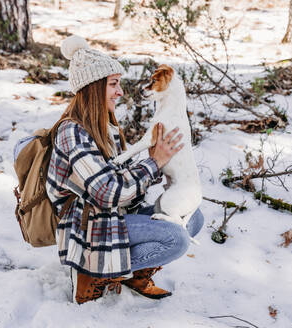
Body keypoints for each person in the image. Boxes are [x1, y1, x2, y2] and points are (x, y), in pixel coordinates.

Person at [46, 35, 204, 304]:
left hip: (112, 214)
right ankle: (91, 272)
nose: (120, 91)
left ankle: (130, 273)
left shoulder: (105, 126)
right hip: (87, 226)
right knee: (176, 238)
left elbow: (122, 177)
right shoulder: (73, 132)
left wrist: (164, 165)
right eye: (113, 84)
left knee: (193, 217)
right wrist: (155, 162)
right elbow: (107, 192)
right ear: (93, 87)